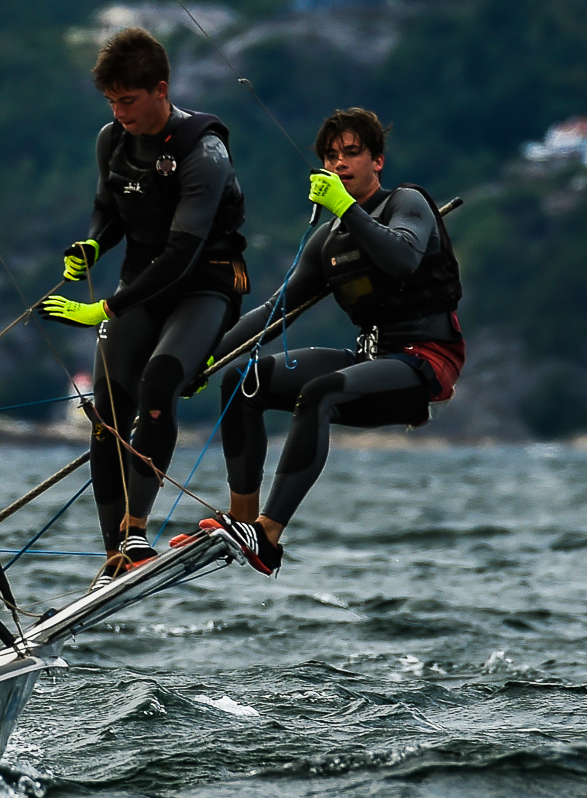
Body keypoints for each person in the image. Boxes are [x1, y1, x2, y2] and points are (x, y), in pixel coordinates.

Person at [199, 107, 466, 575]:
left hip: (424, 362)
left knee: (318, 394)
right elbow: (274, 312)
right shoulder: (328, 240)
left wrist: (346, 208)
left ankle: (269, 534)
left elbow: (403, 258)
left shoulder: (406, 203)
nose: (339, 163)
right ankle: (243, 521)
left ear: (377, 161)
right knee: (243, 380)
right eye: (330, 156)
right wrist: (203, 360)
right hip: (370, 358)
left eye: (351, 153)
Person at [38, 27, 249, 586]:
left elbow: (181, 254)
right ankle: (116, 553)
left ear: (161, 90)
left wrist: (105, 307)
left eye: (128, 100)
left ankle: (136, 529)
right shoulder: (113, 139)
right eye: (111, 101)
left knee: (158, 384)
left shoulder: (205, 152)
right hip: (141, 285)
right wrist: (92, 245)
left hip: (203, 287)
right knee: (106, 410)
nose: (119, 112)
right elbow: (107, 209)